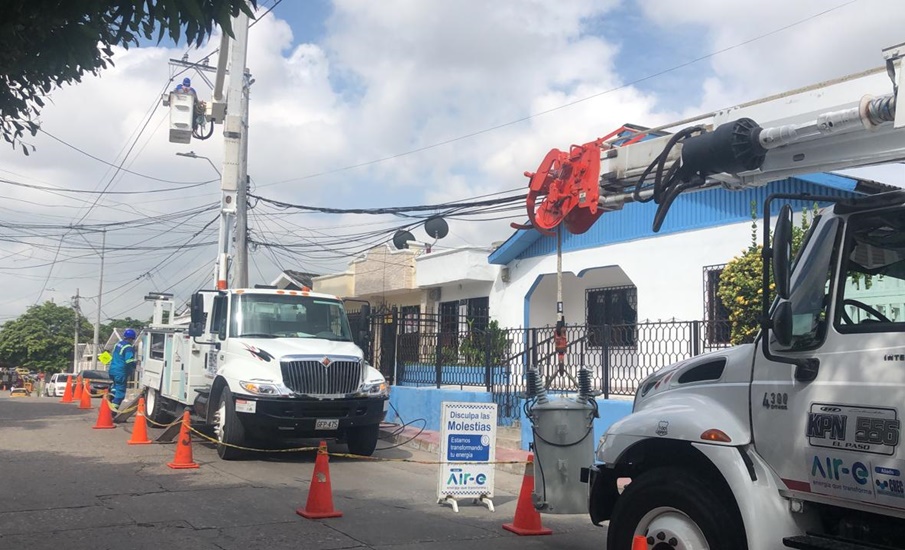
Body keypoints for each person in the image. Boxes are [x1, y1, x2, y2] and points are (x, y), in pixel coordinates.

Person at [107, 328, 137, 413]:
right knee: (120, 393)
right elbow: (129, 360)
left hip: (112, 370)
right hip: (120, 372)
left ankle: (111, 400)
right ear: (132, 338)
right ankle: (112, 411)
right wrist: (136, 366)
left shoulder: (118, 344)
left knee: (115, 387)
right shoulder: (128, 347)